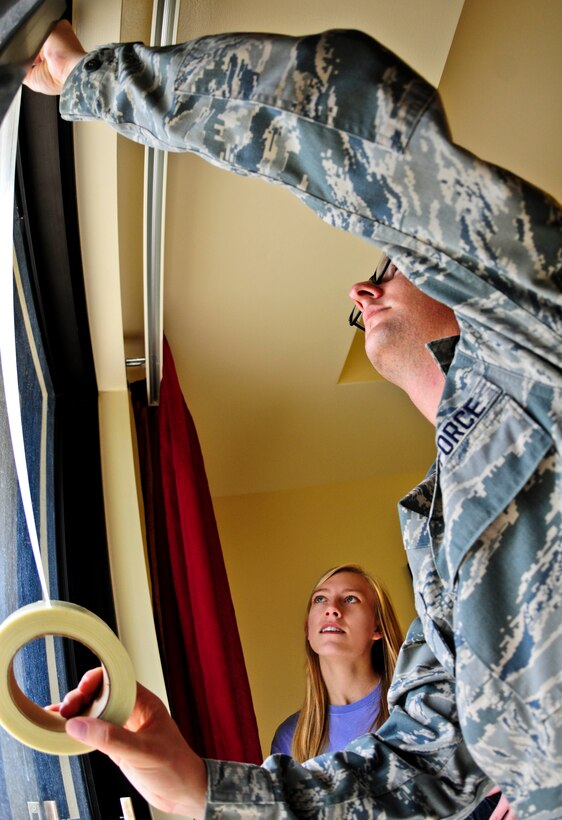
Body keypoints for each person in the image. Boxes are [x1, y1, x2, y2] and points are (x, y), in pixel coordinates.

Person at [24, 21, 561, 819]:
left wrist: (93, 80)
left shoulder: (540, 337)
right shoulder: (440, 541)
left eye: (388, 269)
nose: (361, 291)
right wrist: (203, 788)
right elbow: (418, 775)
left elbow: (366, 138)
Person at [271, 564, 403, 760]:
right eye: (320, 599)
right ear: (307, 629)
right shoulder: (288, 738)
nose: (331, 609)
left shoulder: (412, 705)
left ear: (378, 627)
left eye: (350, 599)